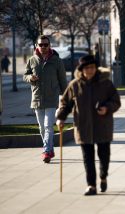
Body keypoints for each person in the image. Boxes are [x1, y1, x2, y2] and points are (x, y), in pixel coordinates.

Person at [56, 55, 121, 196]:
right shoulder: (75, 85)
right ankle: (91, 185)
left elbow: (116, 101)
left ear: (96, 68)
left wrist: (107, 108)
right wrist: (61, 117)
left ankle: (103, 176)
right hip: (83, 126)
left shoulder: (106, 83)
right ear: (81, 70)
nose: (89, 70)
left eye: (92, 67)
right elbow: (66, 103)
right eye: (86, 68)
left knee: (104, 155)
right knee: (88, 158)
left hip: (102, 125)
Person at [23, 35, 67, 163]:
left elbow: (63, 81)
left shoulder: (57, 61)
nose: (43, 47)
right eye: (40, 45)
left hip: (51, 98)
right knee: (42, 128)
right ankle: (50, 148)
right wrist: (30, 77)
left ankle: (47, 151)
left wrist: (66, 97)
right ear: (36, 45)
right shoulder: (32, 60)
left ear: (49, 45)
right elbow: (25, 75)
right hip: (37, 97)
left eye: (45, 45)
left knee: (48, 126)